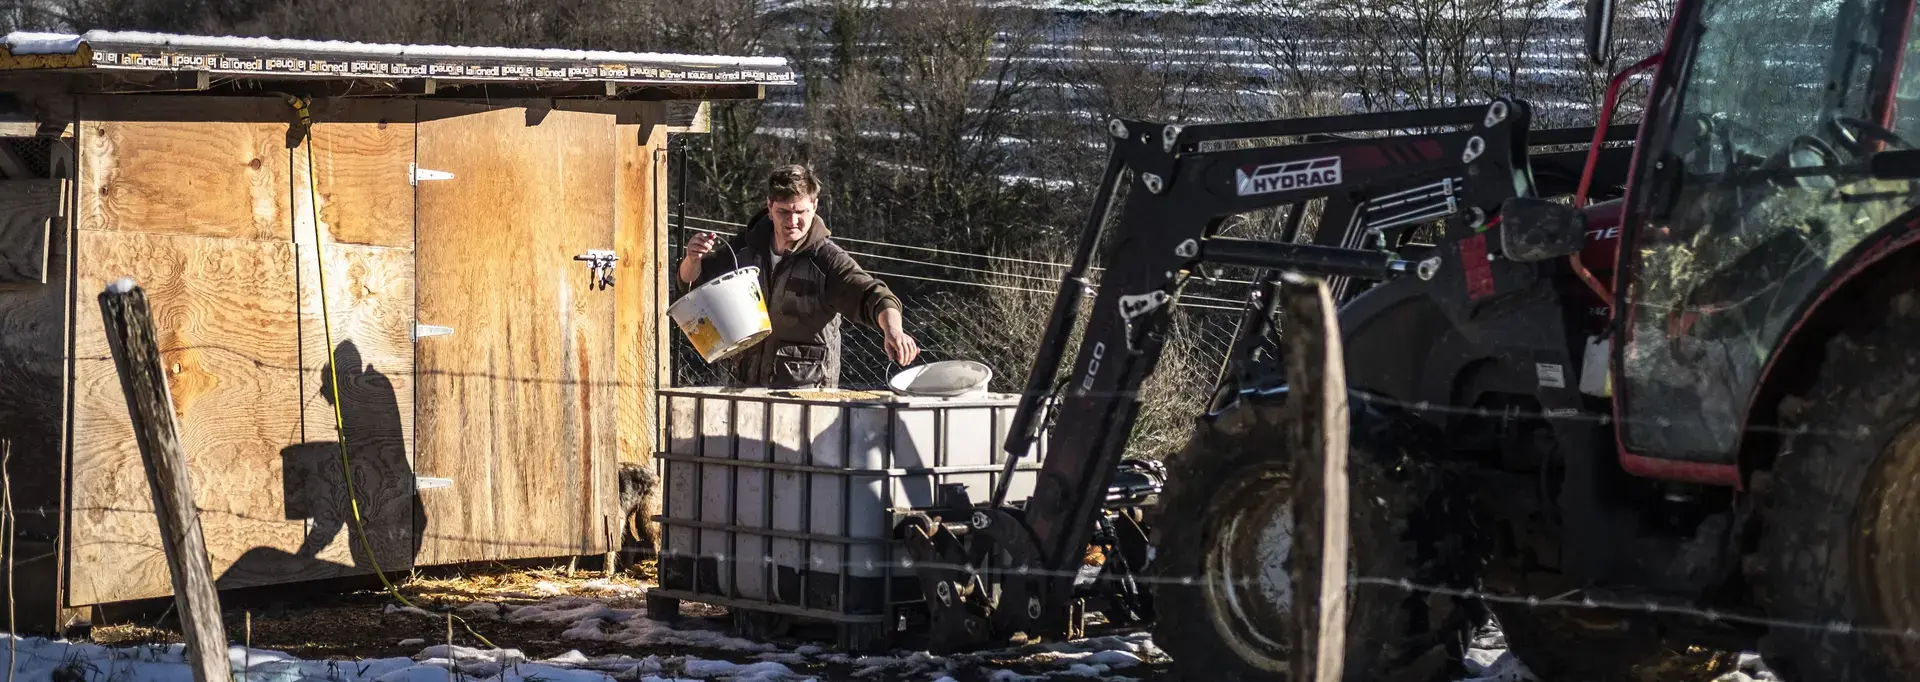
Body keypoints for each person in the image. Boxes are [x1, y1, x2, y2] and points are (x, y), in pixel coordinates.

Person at [678, 164, 920, 389]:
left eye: (801, 211)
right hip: (745, 389)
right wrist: (692, 259)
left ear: (814, 206)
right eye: (783, 211)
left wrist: (894, 331)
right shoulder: (746, 247)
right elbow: (692, 287)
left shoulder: (827, 259)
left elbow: (875, 296)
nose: (792, 221)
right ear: (770, 207)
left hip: (805, 397)